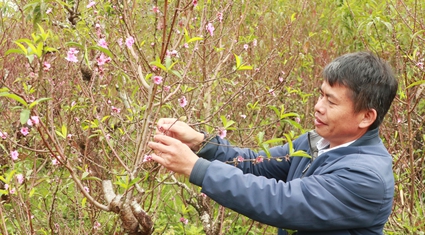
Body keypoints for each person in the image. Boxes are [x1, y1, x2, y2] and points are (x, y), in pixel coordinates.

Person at [148, 51, 398, 235]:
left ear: (366, 116)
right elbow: (257, 164)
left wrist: (196, 168)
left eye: (331, 102)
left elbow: (282, 201)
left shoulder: (365, 177)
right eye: (321, 95)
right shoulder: (317, 142)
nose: (318, 107)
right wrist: (202, 144)